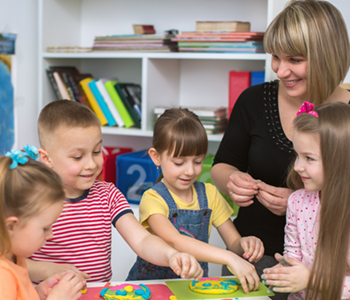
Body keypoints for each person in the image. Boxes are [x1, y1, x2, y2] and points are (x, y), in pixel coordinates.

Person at [210, 1, 350, 298]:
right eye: (275, 56)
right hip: (253, 254)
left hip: (332, 271)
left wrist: (306, 202)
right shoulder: (253, 100)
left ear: (327, 56)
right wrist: (233, 181)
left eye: (295, 59)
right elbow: (222, 165)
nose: (280, 70)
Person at [27, 100, 203, 284]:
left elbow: (142, 240)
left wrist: (171, 255)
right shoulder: (31, 200)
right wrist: (47, 270)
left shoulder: (108, 195)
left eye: (96, 152)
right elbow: (8, 261)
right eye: (78, 157)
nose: (91, 164)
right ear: (47, 158)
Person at [126, 108, 264, 294]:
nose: (190, 171)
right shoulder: (153, 198)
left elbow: (234, 243)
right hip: (152, 289)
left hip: (192, 289)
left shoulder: (210, 194)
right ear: (156, 157)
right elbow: (175, 242)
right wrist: (230, 258)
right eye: (179, 163)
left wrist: (245, 245)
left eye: (197, 161)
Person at [261, 101, 350, 300]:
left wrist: (311, 279)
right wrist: (284, 270)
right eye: (297, 155)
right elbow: (293, 254)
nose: (298, 166)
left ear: (341, 159)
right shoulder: (297, 202)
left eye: (309, 158)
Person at [0, 145, 85, 300]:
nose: (51, 235)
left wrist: (38, 293)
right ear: (10, 226)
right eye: (45, 228)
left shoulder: (14, 257)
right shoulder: (2, 277)